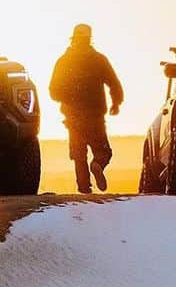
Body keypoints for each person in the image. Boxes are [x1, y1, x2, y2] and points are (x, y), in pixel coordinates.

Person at [49, 24, 124, 193]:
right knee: (103, 152)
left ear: (73, 39)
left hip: (73, 117)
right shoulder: (98, 59)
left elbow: (53, 90)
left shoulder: (63, 61)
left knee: (78, 155)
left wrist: (68, 99)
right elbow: (113, 83)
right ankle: (98, 164)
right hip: (95, 115)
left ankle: (84, 188)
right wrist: (116, 103)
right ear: (89, 39)